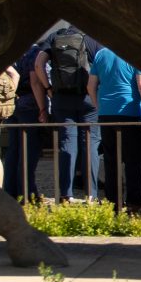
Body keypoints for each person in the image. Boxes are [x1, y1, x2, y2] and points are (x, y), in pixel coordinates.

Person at [36, 24, 100, 201]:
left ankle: (66, 193)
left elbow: (38, 65)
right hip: (88, 99)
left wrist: (49, 89)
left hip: (62, 98)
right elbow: (101, 65)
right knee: (90, 144)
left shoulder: (54, 37)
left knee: (67, 143)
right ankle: (91, 194)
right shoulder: (91, 38)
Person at [89, 42, 141, 210]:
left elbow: (91, 86)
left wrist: (99, 107)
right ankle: (135, 202)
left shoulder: (101, 54)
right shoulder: (136, 54)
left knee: (111, 160)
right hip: (130, 113)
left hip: (106, 115)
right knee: (134, 161)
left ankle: (113, 202)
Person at [3, 32, 50, 201]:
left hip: (12, 104)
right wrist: (42, 108)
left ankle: (10, 190)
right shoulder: (34, 53)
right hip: (30, 105)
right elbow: (35, 82)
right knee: (29, 152)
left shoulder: (12, 54)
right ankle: (27, 192)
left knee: (13, 150)